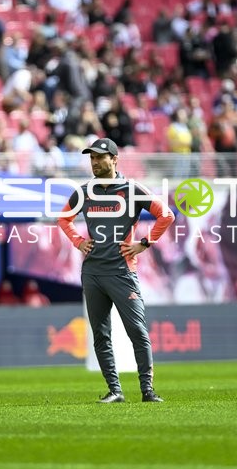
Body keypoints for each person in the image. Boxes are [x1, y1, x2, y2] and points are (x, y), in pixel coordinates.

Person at [57, 138, 175, 404]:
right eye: (92, 158)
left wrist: (145, 243)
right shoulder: (84, 191)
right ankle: (115, 391)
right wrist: (78, 241)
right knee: (100, 334)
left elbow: (166, 215)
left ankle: (148, 390)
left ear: (114, 159)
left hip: (122, 273)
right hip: (93, 273)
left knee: (138, 331)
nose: (95, 163)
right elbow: (63, 219)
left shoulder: (131, 190)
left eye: (100, 157)